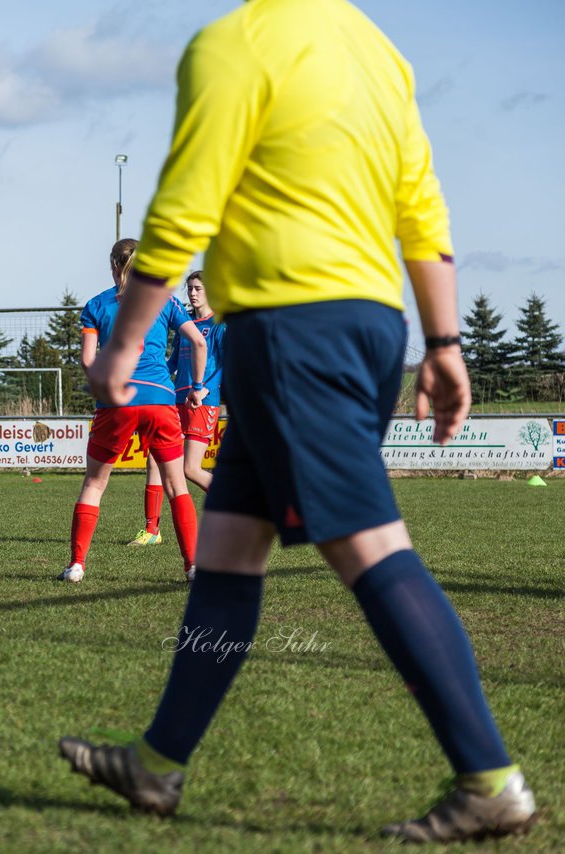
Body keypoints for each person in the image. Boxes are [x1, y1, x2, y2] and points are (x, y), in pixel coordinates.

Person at [58, 0, 535, 842]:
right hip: (362, 325)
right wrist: (445, 341)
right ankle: (159, 763)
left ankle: (489, 777)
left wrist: (123, 348)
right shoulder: (377, 49)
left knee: (371, 546)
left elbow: (181, 209)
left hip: (290, 329)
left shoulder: (236, 43)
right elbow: (420, 208)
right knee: (229, 555)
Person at [58, 239, 206, 584]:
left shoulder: (96, 305)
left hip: (117, 402)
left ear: (113, 265)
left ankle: (77, 565)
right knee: (176, 485)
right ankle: (193, 567)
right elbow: (198, 341)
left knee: (95, 484)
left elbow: (86, 359)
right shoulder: (165, 300)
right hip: (159, 398)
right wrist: (197, 386)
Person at [133, 271, 225, 545]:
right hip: (175, 401)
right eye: (190, 289)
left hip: (202, 401)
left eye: (198, 288)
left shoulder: (220, 324)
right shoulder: (186, 324)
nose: (193, 293)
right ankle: (152, 531)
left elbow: (227, 362)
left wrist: (205, 388)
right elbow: (172, 363)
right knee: (154, 460)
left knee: (190, 469)